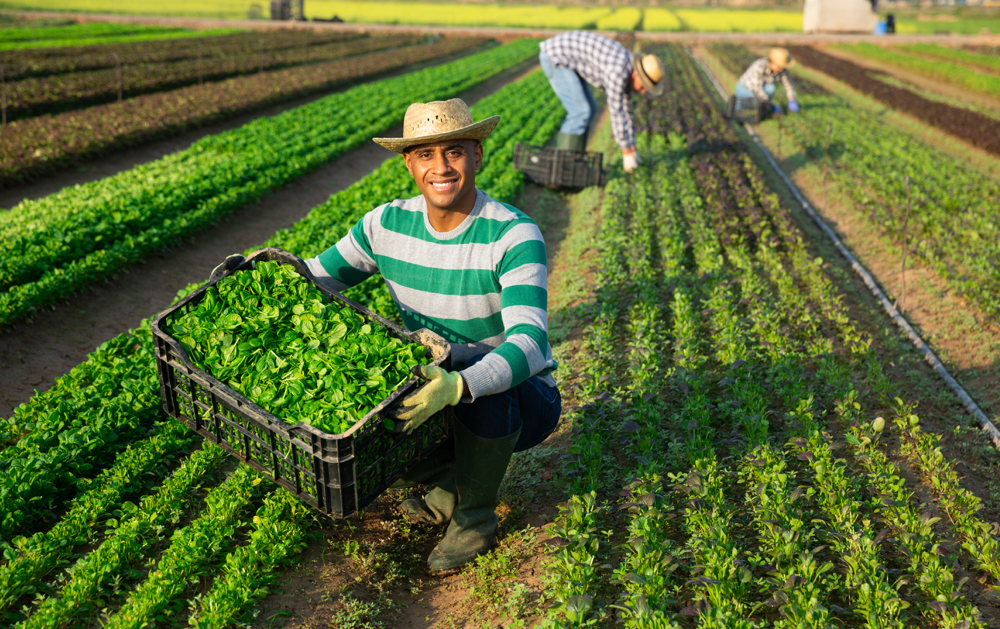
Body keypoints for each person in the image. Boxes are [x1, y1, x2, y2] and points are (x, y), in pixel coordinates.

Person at [304, 98, 561, 576]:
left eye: (455, 152)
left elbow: (528, 342)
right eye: (425, 154)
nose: (440, 167)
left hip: (523, 399)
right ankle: (449, 482)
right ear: (408, 163)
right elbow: (316, 280)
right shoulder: (384, 226)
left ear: (477, 155)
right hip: (436, 377)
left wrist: (458, 387)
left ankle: (474, 518)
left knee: (471, 369)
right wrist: (259, 274)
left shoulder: (513, 234)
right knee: (368, 379)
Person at [538, 30, 664, 173]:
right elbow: (617, 113)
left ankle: (574, 163)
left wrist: (633, 149)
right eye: (643, 86)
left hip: (567, 57)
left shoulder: (627, 69)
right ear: (636, 75)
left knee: (590, 108)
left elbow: (626, 111)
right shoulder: (618, 71)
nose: (643, 91)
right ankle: (561, 169)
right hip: (555, 57)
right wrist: (626, 154)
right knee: (580, 112)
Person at [736, 47, 800, 115]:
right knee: (753, 102)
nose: (781, 69)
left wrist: (792, 100)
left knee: (771, 88)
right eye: (779, 66)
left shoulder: (781, 70)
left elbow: (788, 85)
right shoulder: (760, 66)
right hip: (745, 87)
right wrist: (770, 105)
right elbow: (757, 89)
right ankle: (737, 108)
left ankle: (762, 108)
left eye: (783, 66)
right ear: (772, 62)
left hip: (760, 90)